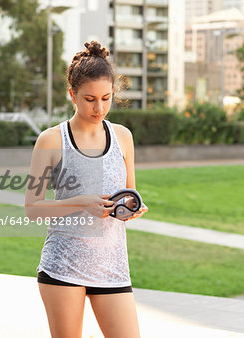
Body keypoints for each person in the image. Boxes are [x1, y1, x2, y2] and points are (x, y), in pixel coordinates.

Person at [25, 40, 148, 338]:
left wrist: (130, 210)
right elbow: (32, 209)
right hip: (63, 267)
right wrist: (82, 203)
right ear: (73, 95)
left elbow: (128, 193)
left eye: (106, 98)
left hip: (112, 267)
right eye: (90, 99)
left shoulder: (123, 137)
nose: (100, 107)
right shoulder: (51, 140)